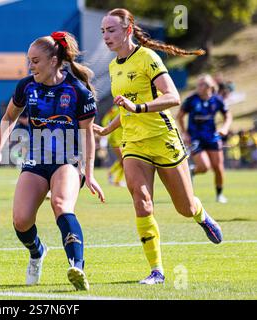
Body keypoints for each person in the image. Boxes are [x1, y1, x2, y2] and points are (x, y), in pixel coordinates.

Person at [94, 8, 223, 285]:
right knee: (141, 201)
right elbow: (125, 107)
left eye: (111, 30)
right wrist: (107, 129)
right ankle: (157, 271)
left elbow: (173, 97)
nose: (105, 35)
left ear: (128, 30)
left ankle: (200, 214)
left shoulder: (147, 58)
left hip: (163, 139)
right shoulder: (113, 66)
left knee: (184, 208)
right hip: (133, 143)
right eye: (103, 31)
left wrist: (138, 107)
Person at [0, 31, 105, 291]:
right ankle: (37, 252)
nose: (31, 66)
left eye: (36, 60)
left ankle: (77, 267)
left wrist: (90, 172)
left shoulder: (78, 91)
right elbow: (9, 117)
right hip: (37, 160)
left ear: (54, 60)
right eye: (29, 60)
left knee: (61, 204)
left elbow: (88, 136)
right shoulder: (26, 86)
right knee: (21, 220)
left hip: (68, 161)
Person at [176, 74, 233, 203]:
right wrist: (185, 133)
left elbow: (228, 116)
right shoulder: (191, 100)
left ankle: (219, 195)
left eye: (202, 84)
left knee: (218, 167)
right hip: (195, 138)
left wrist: (225, 127)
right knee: (204, 166)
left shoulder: (217, 100)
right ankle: (192, 171)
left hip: (212, 137)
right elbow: (179, 116)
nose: (199, 87)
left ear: (210, 86)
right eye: (198, 84)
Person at [101, 105, 125, 187]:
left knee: (124, 160)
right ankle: (116, 180)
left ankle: (112, 174)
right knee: (123, 160)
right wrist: (108, 129)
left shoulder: (128, 108)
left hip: (124, 138)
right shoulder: (114, 109)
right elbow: (105, 120)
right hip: (115, 139)